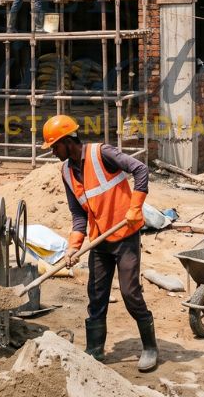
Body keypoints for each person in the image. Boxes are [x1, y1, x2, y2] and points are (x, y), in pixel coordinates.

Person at [44, 114, 159, 372]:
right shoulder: (65, 171)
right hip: (99, 241)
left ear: (66, 141)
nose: (52, 152)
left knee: (130, 293)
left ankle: (150, 347)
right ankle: (95, 350)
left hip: (125, 235)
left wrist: (135, 208)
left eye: (54, 146)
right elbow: (78, 213)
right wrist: (74, 246)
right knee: (96, 296)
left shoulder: (101, 153)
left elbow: (140, 169)